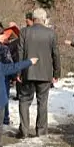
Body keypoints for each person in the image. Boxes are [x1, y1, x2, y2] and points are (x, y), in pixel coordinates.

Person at [17, 8, 60, 138]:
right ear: (44, 19)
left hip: (27, 71)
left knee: (24, 101)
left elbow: (20, 52)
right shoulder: (51, 33)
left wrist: (18, 70)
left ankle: (24, 130)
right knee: (42, 102)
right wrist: (56, 72)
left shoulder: (24, 32)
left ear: (34, 18)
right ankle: (41, 130)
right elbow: (55, 54)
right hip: (45, 72)